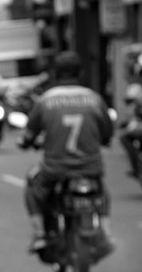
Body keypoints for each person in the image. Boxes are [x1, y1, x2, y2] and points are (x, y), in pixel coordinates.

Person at [19, 50, 115, 256]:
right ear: (79, 73)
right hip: (90, 166)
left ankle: (40, 234)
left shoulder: (45, 100)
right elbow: (108, 132)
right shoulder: (94, 99)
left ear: (56, 73)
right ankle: (106, 233)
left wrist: (26, 142)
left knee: (31, 186)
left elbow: (29, 134)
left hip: (55, 169)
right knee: (103, 193)